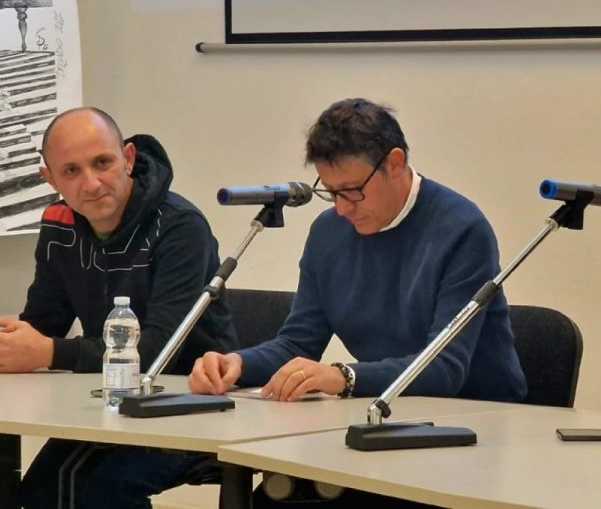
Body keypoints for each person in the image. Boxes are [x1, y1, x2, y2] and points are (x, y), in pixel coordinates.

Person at [189, 98, 525, 505]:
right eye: (331, 193)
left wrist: (344, 377)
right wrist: (237, 364)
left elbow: (444, 369)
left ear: (395, 163)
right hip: (380, 424)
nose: (343, 209)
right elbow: (298, 342)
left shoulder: (461, 229)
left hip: (470, 430)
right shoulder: (328, 232)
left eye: (353, 192)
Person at [0, 107, 237, 508]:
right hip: (107, 403)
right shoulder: (58, 222)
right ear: (50, 179)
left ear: (128, 158)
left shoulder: (181, 226)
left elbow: (159, 350)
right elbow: (41, 325)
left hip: (189, 403)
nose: (91, 183)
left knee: (102, 492)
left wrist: (50, 351)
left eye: (102, 163)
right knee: (40, 492)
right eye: (71, 171)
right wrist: (9, 347)